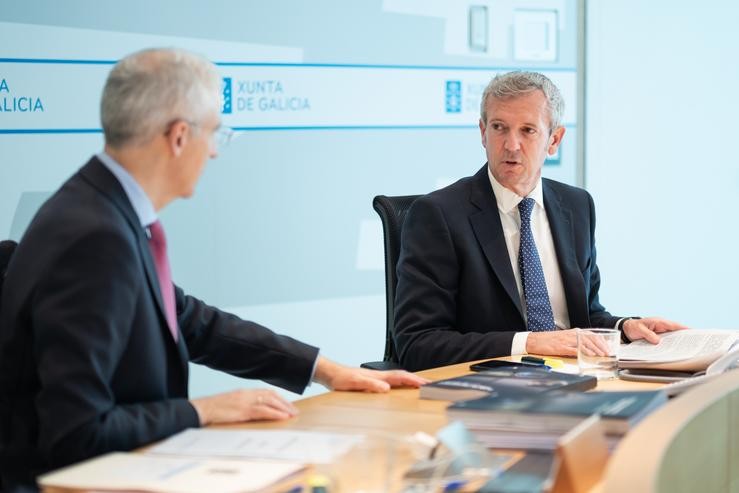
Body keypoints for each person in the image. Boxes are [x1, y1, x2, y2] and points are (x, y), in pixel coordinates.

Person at [0, 48, 426, 491]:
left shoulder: (103, 209)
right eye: (215, 134)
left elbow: (188, 320)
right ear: (179, 137)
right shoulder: (95, 237)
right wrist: (206, 410)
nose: (215, 153)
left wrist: (326, 369)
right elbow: (76, 431)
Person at [393, 71, 686, 371]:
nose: (511, 145)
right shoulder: (438, 215)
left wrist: (624, 328)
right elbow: (418, 344)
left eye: (528, 130)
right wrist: (529, 343)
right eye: (499, 128)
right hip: (493, 389)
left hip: (575, 378)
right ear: (483, 133)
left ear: (554, 139)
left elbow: (584, 316)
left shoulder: (576, 206)